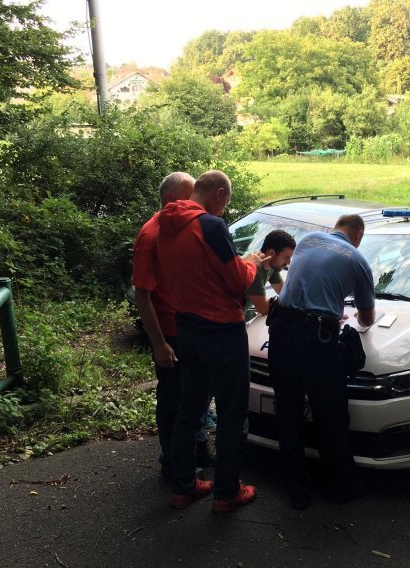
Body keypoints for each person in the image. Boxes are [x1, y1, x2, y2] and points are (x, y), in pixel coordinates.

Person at [156, 170, 268, 512]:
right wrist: (251, 263)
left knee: (189, 409)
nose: (224, 211)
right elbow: (236, 281)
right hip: (221, 331)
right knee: (233, 413)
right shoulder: (210, 225)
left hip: (185, 328)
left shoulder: (163, 223)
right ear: (219, 194)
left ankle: (183, 487)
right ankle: (226, 492)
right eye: (226, 204)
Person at [267, 214, 376, 510]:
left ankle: (297, 491)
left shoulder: (306, 240)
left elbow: (305, 282)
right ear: (358, 235)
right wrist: (342, 312)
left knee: (288, 412)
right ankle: (342, 487)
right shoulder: (358, 261)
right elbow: (366, 318)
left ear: (335, 229)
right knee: (330, 413)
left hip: (281, 330)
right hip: (317, 339)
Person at [132, 172, 215, 475]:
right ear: (170, 200)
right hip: (171, 335)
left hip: (192, 330)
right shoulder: (151, 236)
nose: (196, 204)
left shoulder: (181, 230)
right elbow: (143, 295)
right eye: (190, 196)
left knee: (197, 396)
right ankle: (173, 463)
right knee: (174, 401)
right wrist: (159, 344)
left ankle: (197, 448)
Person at [243, 230, 296, 320]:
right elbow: (263, 308)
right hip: (219, 323)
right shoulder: (255, 269)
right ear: (272, 253)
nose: (288, 263)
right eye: (286, 258)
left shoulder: (272, 265)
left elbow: (283, 291)